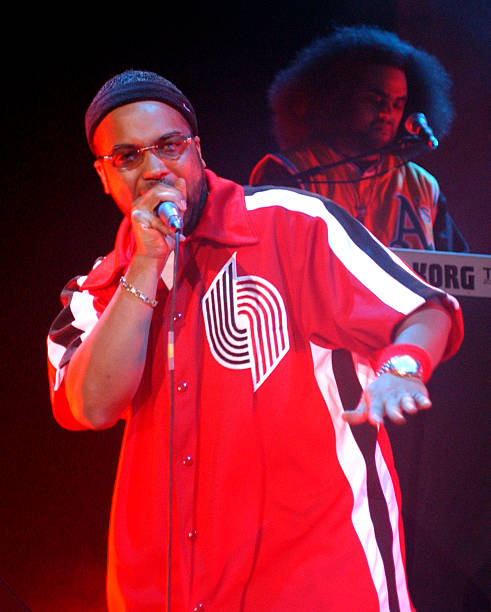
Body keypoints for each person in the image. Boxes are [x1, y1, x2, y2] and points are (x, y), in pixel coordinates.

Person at [47, 69, 463, 611]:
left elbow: (425, 309)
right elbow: (92, 406)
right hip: (164, 591)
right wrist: (146, 263)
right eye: (127, 157)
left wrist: (401, 367)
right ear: (105, 175)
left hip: (317, 581)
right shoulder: (97, 289)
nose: (153, 169)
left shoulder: (290, 224)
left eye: (169, 146)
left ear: (197, 150)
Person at [250, 25, 469, 253]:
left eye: (397, 104)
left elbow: (459, 267)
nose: (386, 113)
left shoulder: (423, 186)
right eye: (375, 100)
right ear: (338, 98)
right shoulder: (290, 171)